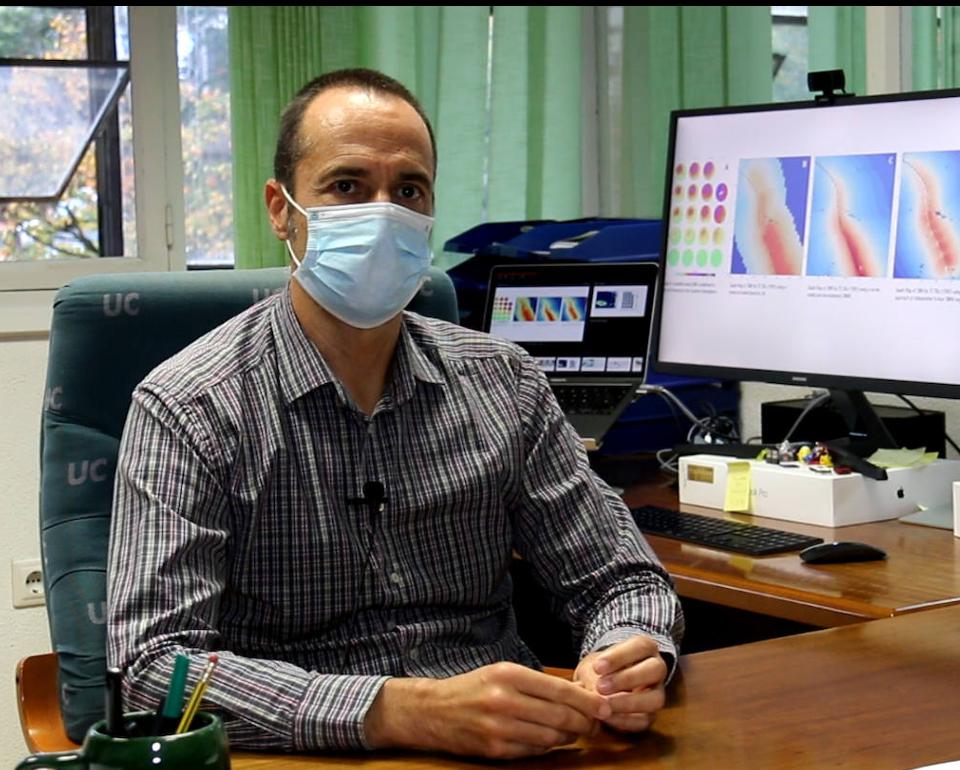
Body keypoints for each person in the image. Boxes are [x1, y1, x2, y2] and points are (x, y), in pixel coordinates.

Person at [106, 68, 683, 760]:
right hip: (303, 756)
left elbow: (621, 577)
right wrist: (393, 712)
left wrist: (625, 653)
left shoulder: (506, 383)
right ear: (281, 208)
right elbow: (154, 673)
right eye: (348, 186)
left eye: (408, 190)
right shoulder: (189, 409)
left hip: (509, 746)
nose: (384, 213)